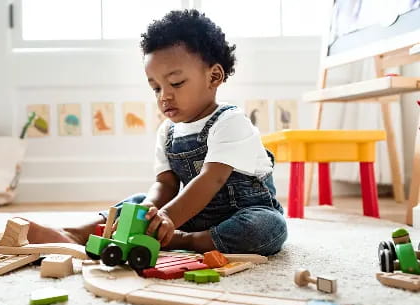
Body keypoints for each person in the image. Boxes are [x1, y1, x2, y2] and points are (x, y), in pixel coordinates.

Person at [27, 9, 287, 255]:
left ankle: (185, 241)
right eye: (156, 88)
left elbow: (211, 180)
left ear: (214, 76)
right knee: (137, 202)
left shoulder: (230, 121)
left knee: (266, 227)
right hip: (189, 214)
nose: (165, 96)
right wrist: (148, 211)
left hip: (240, 213)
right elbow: (166, 184)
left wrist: (168, 218)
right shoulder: (168, 131)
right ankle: (76, 233)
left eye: (176, 83)